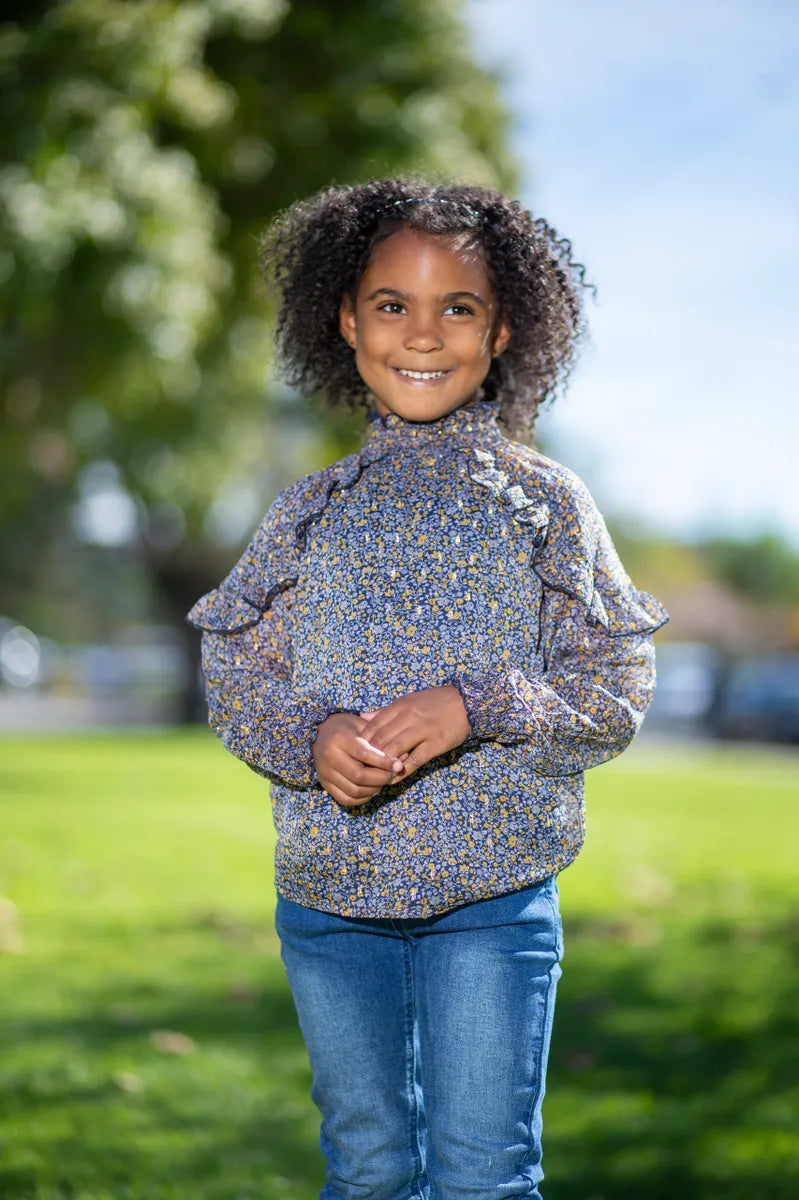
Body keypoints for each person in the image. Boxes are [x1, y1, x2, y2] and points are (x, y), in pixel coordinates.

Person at [187, 179, 669, 1199]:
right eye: (392, 304)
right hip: (328, 906)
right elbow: (234, 671)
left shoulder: (544, 504)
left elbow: (614, 685)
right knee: (364, 1171)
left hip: (492, 904)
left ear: (501, 332)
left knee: (484, 1175)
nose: (423, 332)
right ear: (346, 321)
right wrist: (310, 736)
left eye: (457, 307)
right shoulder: (309, 511)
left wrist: (479, 703)